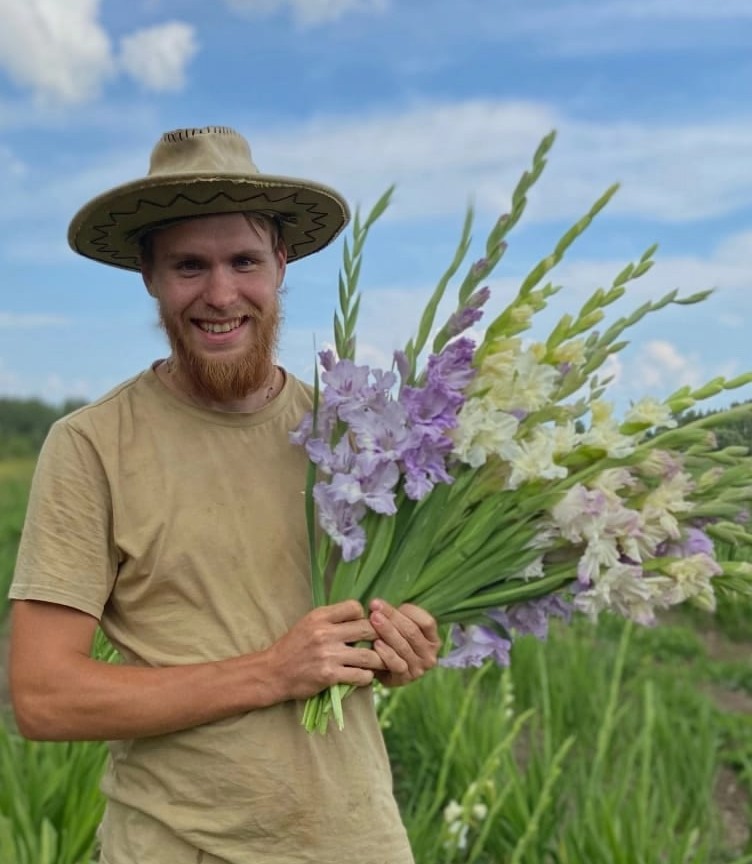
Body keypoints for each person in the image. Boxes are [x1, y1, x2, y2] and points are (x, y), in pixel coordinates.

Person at [8, 125, 441, 864]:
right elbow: (43, 695)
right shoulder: (93, 445)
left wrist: (402, 645)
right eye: (188, 265)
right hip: (178, 846)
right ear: (149, 274)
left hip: (357, 840)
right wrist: (272, 672)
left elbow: (353, 638)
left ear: (282, 263)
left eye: (243, 261)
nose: (219, 294)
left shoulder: (356, 439)